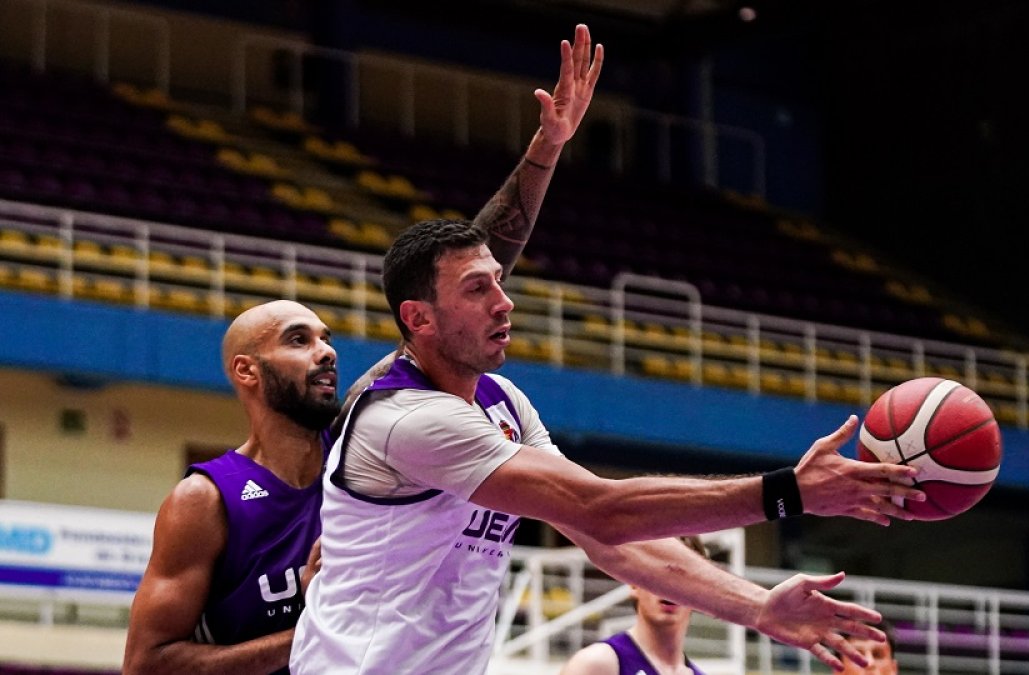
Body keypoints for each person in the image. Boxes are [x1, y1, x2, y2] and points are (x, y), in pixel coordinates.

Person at [122, 23, 605, 675]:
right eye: (298, 340)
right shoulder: (206, 500)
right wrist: (307, 636)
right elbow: (147, 663)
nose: (326, 351)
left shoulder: (369, 433)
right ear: (247, 370)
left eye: (326, 336)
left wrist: (546, 151)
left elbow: (457, 287)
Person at [290, 218, 927, 675]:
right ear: (418, 319)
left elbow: (605, 538)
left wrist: (759, 607)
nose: (504, 302)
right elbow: (603, 509)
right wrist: (789, 492)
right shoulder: (404, 420)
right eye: (477, 290)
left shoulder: (504, 404)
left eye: (499, 283)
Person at [560, 536, 713, 675]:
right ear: (633, 583)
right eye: (660, 574)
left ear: (698, 592)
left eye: (683, 576)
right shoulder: (595, 664)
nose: (670, 589)